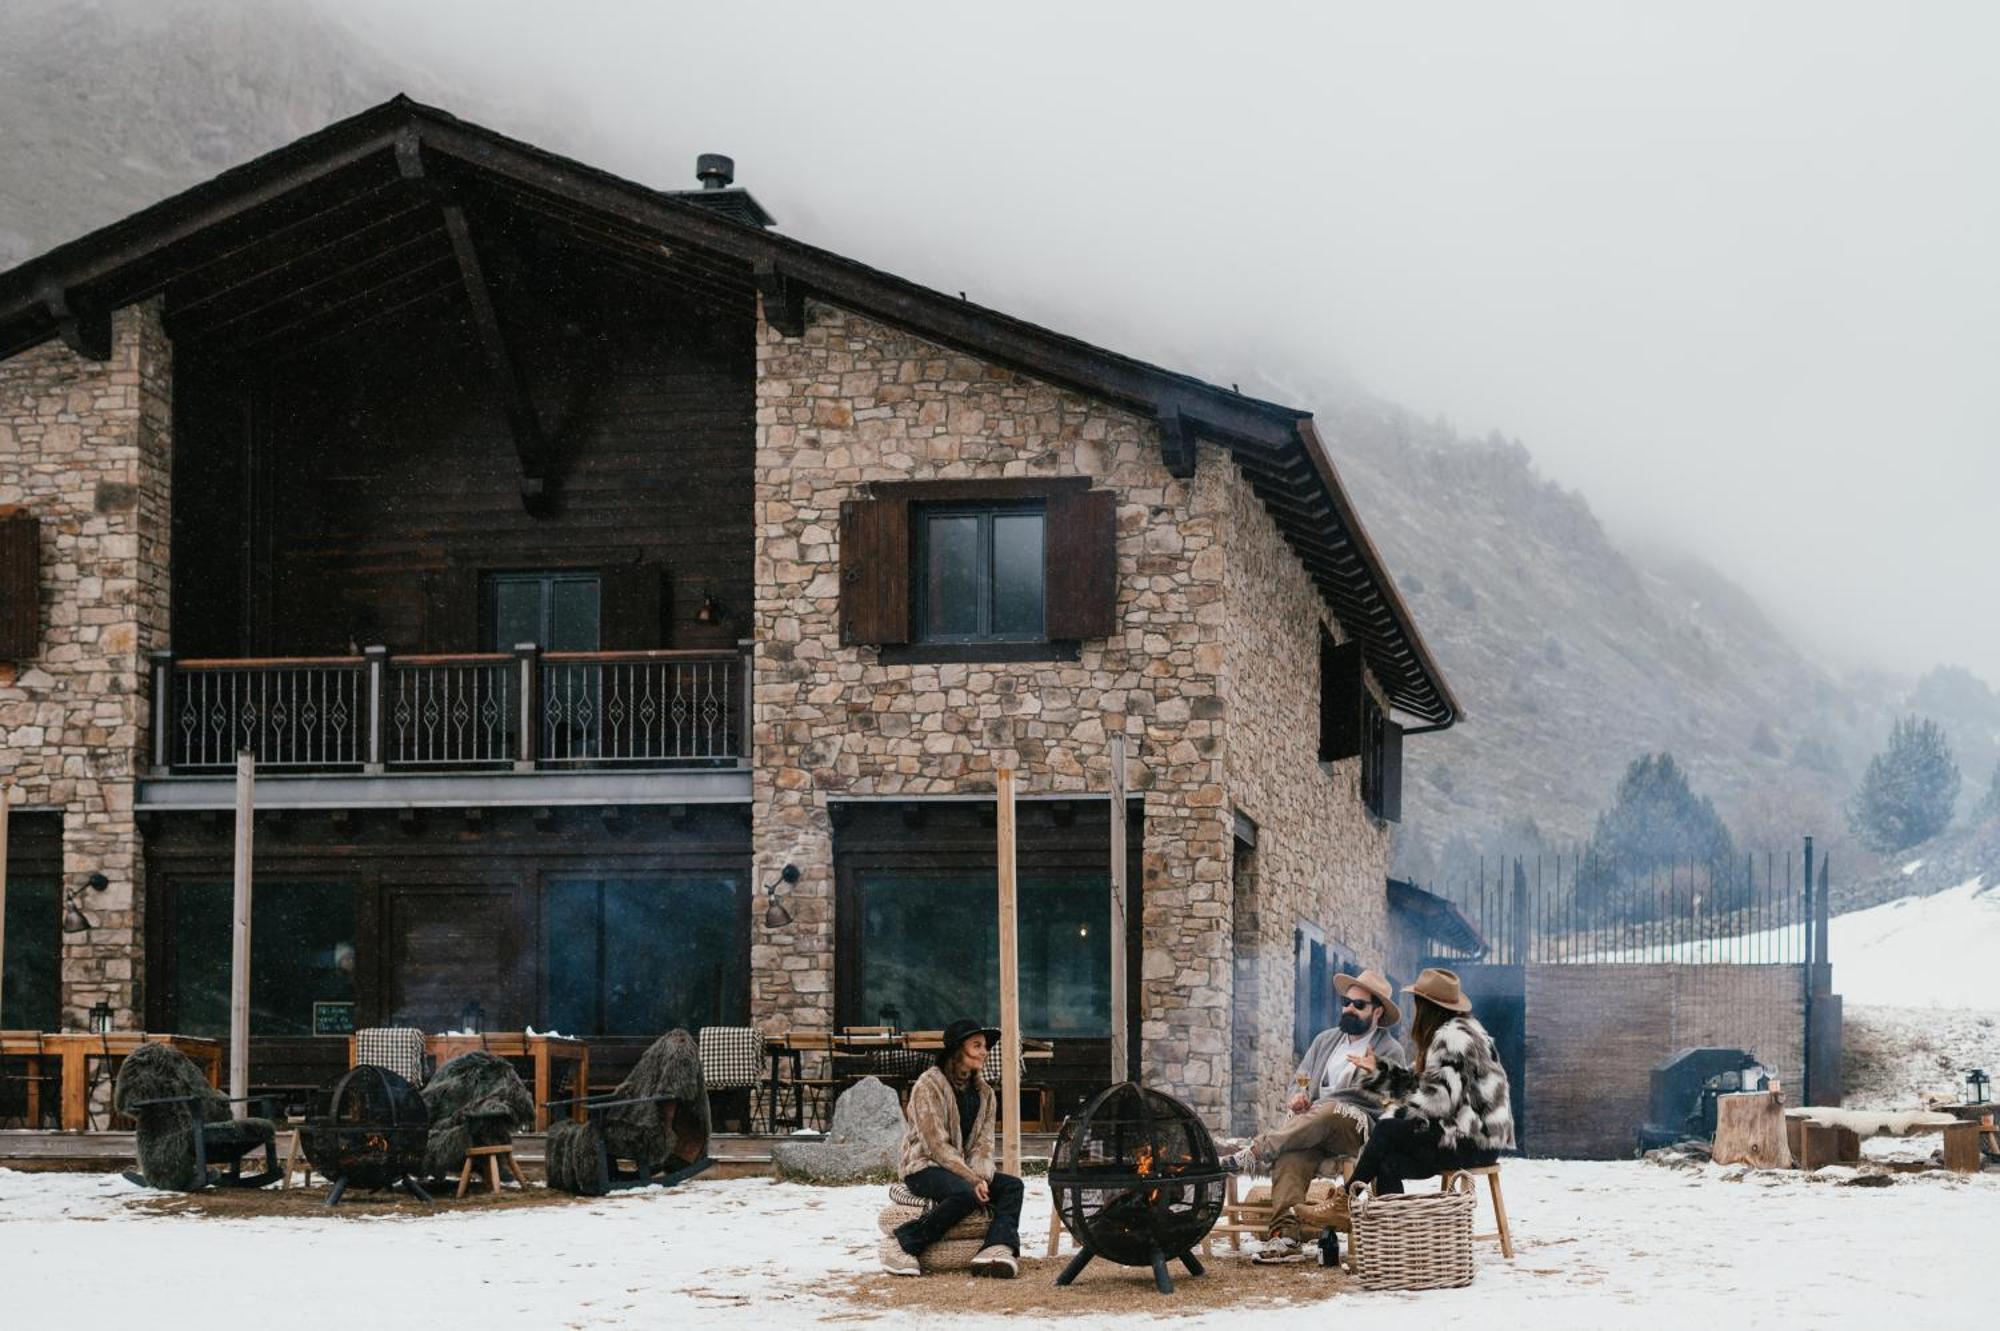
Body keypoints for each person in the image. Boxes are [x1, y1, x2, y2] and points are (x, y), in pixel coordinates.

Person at [1221, 969, 1409, 1264]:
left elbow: (1396, 1100)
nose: (1348, 1008)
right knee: (1292, 1153)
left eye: (1358, 1005)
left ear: (1377, 1011)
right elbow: (1302, 1079)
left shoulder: (1390, 1049)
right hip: (1315, 1124)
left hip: (1356, 1125)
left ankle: (1257, 1149)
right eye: (1347, 1002)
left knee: (1330, 1109)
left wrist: (1376, 1072)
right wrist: (1298, 1097)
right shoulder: (1326, 1040)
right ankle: (1285, 1235)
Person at [1348, 967, 1514, 1194]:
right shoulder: (1458, 1031)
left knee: (1386, 1130)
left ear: (1427, 1007)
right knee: (1389, 1164)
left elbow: (1437, 1100)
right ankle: (1396, 1228)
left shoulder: (1453, 1039)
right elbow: (1428, 1085)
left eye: (1417, 1003)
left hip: (1473, 1140)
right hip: (1467, 1135)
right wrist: (1379, 1071)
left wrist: (1399, 1107)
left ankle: (1346, 1199)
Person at [880, 1018, 1025, 1278]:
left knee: (1013, 1186)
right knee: (966, 1194)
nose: (985, 1052)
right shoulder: (928, 1085)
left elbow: (984, 1143)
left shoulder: (986, 1094)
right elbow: (936, 1145)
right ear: (958, 1049)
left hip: (963, 1170)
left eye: (985, 1046)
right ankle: (902, 1244)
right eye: (977, 1045)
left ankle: (996, 1249)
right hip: (924, 1167)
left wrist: (980, 1175)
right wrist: (971, 1180)